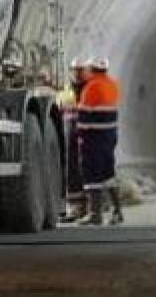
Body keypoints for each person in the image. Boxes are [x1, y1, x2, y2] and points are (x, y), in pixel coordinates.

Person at [77, 56, 122, 225]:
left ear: (92, 69)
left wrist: (80, 137)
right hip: (110, 137)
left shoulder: (91, 87)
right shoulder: (113, 85)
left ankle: (95, 214)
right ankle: (118, 211)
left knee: (92, 174)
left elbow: (84, 117)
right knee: (108, 173)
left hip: (93, 138)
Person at [57, 57, 88, 221]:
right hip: (69, 133)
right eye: (75, 70)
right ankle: (74, 207)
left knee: (85, 168)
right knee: (70, 168)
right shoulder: (66, 89)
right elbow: (61, 108)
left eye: (80, 69)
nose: (77, 73)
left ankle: (86, 206)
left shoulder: (90, 88)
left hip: (85, 133)